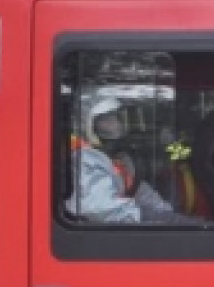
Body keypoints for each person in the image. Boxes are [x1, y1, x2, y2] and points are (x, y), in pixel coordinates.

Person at [65, 96, 198, 225]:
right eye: (107, 119)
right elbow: (100, 209)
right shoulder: (83, 159)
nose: (116, 124)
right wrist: (145, 216)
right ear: (87, 124)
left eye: (117, 117)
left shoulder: (114, 158)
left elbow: (139, 190)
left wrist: (169, 217)